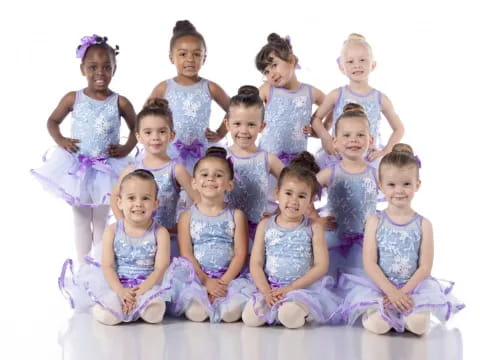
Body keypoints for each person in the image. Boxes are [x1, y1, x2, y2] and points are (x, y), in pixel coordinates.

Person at [31, 34, 136, 262]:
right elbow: (52, 121)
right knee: (80, 220)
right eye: (93, 67)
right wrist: (61, 140)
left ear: (114, 69)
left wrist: (126, 148)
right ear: (82, 69)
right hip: (78, 168)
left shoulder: (120, 102)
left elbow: (137, 129)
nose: (100, 72)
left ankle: (99, 267)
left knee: (100, 220)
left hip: (105, 170)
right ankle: (82, 268)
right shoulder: (73, 98)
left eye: (106, 67)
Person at [339, 144, 464, 335]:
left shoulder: (424, 224)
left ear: (417, 185)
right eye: (391, 184)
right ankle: (383, 314)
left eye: (406, 184)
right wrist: (391, 292)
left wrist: (403, 292)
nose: (399, 191)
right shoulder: (374, 221)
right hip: (381, 286)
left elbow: (424, 267)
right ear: (381, 186)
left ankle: (406, 314)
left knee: (419, 327)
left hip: (413, 287)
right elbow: (370, 263)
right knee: (378, 326)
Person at [59, 170, 176, 325]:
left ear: (155, 204)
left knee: (154, 313)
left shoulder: (160, 233)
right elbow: (107, 266)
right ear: (120, 202)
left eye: (145, 198)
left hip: (148, 285)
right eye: (131, 198)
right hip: (117, 283)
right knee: (109, 316)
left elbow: (161, 268)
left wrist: (140, 291)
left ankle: (141, 306)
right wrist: (121, 291)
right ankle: (107, 307)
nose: (138, 203)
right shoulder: (112, 231)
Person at [242, 155, 341, 328]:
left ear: (311, 201)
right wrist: (266, 291)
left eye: (302, 196)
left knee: (289, 317)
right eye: (288, 193)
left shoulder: (313, 227)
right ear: (277, 193)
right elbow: (256, 263)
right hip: (270, 287)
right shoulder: (265, 225)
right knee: (250, 318)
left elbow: (321, 266)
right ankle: (275, 305)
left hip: (301, 289)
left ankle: (300, 309)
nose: (294, 201)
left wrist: (290, 288)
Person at [170, 147, 255, 322]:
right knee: (196, 313)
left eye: (218, 175)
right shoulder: (186, 216)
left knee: (230, 314)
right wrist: (207, 282)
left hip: (229, 278)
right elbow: (186, 253)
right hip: (197, 277)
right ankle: (204, 299)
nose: (210, 178)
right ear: (194, 183)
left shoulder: (236, 215)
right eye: (204, 174)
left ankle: (225, 301)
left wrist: (222, 283)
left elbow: (240, 254)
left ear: (230, 184)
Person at [110, 98, 200, 255]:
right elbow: (114, 197)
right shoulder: (131, 170)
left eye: (162, 131)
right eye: (148, 132)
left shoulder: (176, 170)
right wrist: (123, 224)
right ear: (139, 137)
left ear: (172, 135)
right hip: (137, 240)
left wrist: (182, 226)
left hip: (167, 242)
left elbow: (200, 201)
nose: (155, 137)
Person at [148, 20, 230, 173]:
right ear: (172, 57)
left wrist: (220, 132)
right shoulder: (164, 88)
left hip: (202, 152)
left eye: (197, 54)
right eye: (183, 54)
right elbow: (147, 116)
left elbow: (234, 110)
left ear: (204, 58)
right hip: (171, 152)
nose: (190, 59)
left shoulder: (209, 87)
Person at [311, 33, 404, 167]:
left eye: (362, 60)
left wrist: (385, 151)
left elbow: (399, 129)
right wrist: (326, 138)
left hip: (368, 160)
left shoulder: (380, 99)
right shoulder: (337, 95)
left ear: (373, 64)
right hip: (339, 158)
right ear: (342, 68)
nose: (357, 65)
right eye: (350, 61)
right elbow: (316, 118)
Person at [315, 103, 378, 280]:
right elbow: (303, 193)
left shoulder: (375, 174)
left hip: (365, 244)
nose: (354, 140)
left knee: (363, 282)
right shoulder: (330, 173)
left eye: (360, 135)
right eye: (347, 135)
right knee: (329, 282)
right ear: (335, 141)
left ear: (370, 140)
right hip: (334, 240)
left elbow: (396, 196)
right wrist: (315, 219)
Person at [255, 33, 327, 165]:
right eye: (266, 72)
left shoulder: (309, 92)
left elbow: (332, 104)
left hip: (296, 164)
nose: (272, 74)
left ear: (291, 60)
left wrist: (321, 130)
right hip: (268, 162)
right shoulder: (267, 90)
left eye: (274, 65)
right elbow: (248, 112)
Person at [224, 85, 284, 244]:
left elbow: (294, 184)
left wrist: (278, 213)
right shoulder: (221, 157)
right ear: (227, 125)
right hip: (225, 232)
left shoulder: (268, 159)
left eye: (251, 125)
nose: (244, 130)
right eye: (237, 124)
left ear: (262, 126)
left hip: (258, 233)